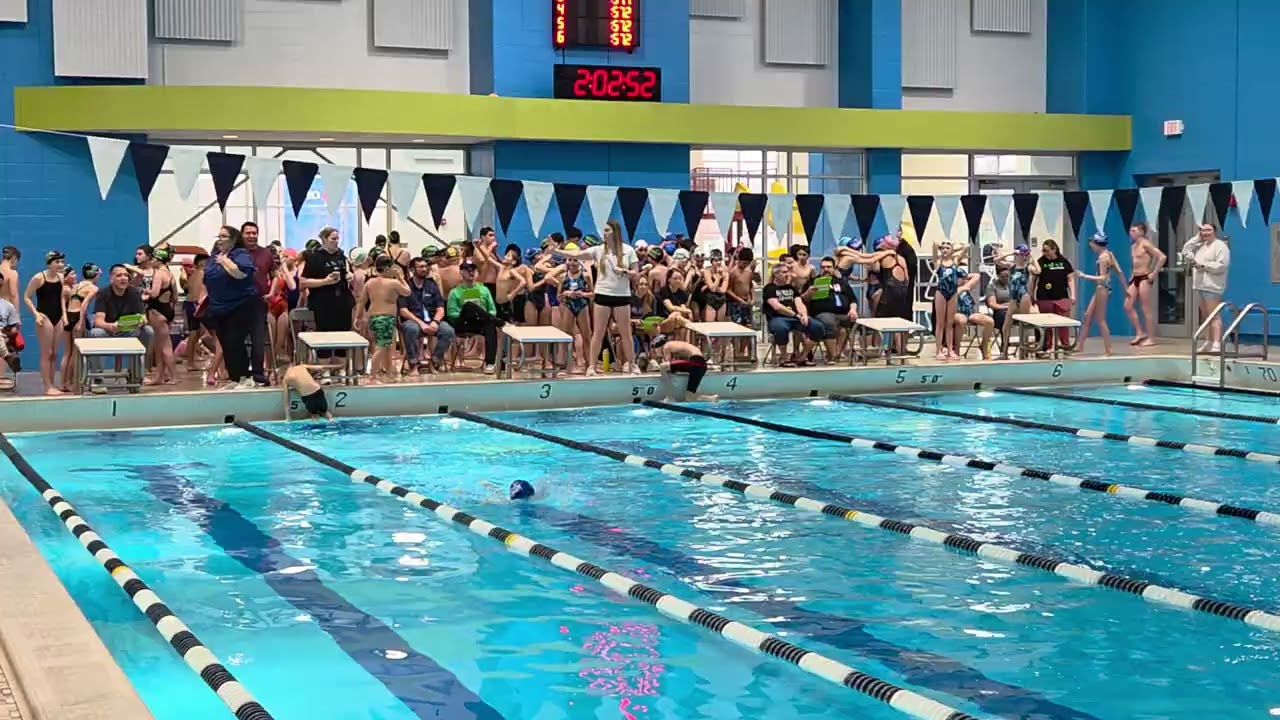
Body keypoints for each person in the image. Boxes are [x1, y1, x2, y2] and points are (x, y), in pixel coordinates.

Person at [557, 219, 640, 376]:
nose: (604, 233)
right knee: (598, 332)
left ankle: (632, 363)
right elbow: (575, 254)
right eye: (604, 230)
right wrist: (555, 251)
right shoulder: (598, 250)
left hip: (621, 295)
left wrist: (624, 271)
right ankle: (592, 366)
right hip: (602, 294)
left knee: (625, 332)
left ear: (615, 232)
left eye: (607, 230)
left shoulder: (628, 250)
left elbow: (636, 273)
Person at [203, 225, 258, 389]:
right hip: (219, 307)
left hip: (239, 305)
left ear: (233, 239)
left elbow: (241, 274)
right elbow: (207, 278)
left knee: (235, 342)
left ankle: (245, 378)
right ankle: (235, 378)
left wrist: (225, 261)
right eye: (218, 236)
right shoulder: (214, 256)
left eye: (223, 236)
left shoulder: (240, 254)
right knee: (225, 344)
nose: (219, 239)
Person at [300, 227, 355, 359]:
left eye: (337, 239)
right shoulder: (314, 258)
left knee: (343, 336)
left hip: (342, 301)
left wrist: (350, 276)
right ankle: (324, 369)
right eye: (333, 239)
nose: (336, 242)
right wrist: (324, 281)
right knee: (324, 336)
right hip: (323, 303)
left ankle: (340, 368)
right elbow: (303, 282)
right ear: (324, 239)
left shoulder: (341, 256)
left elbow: (348, 273)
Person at [356, 254, 410, 383]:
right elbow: (407, 292)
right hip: (385, 318)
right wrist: (401, 278)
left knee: (383, 346)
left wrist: (358, 317)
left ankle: (389, 374)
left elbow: (362, 301)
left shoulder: (370, 282)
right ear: (386, 269)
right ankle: (372, 376)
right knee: (380, 347)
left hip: (373, 318)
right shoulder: (393, 283)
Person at [1181, 223, 1231, 352]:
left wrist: (1203, 266)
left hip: (1212, 286)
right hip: (1200, 285)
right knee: (1206, 315)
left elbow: (1221, 266)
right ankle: (1208, 342)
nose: (1205, 233)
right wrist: (1196, 238)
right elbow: (1186, 250)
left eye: (1208, 230)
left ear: (1215, 231)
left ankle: (1217, 343)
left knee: (1214, 315)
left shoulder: (1220, 246)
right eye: (1203, 230)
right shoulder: (1201, 246)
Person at [399, 256, 454, 375]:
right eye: (421, 267)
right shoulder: (406, 287)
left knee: (448, 331)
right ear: (413, 270)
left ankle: (434, 361)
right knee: (410, 329)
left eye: (426, 266)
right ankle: (413, 364)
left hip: (432, 320)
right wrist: (421, 324)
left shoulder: (432, 285)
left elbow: (441, 308)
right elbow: (403, 310)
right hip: (415, 321)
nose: (425, 269)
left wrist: (435, 322)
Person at [23, 250, 68, 395]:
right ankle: (47, 386)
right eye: (57, 262)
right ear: (49, 263)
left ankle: (53, 384)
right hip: (44, 316)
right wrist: (36, 314)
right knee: (46, 353)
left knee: (55, 353)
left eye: (62, 262)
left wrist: (64, 316)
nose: (61, 264)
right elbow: (27, 297)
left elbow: (61, 298)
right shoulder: (39, 278)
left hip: (58, 317)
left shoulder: (61, 277)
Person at [446, 260, 503, 373]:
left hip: (480, 322)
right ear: (461, 272)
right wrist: (466, 312)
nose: (471, 273)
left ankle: (490, 363)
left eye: (473, 270)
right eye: (468, 270)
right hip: (463, 323)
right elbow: (451, 313)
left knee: (490, 326)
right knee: (469, 306)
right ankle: (500, 322)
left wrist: (483, 316)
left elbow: (492, 310)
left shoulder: (484, 290)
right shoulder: (455, 292)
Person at [762, 263, 822, 367]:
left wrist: (804, 315)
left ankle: (803, 356)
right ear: (776, 274)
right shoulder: (769, 288)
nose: (788, 275)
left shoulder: (791, 288)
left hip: (796, 318)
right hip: (778, 318)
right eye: (784, 272)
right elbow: (777, 307)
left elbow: (799, 303)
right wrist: (795, 315)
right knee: (781, 328)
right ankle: (784, 358)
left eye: (788, 272)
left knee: (818, 327)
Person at [1075, 232, 1124, 356]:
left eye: (1092, 243)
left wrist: (1084, 276)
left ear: (1097, 244)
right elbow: (1119, 271)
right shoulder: (1109, 254)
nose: (1090, 245)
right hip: (1102, 288)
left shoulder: (1103, 258)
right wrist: (1126, 288)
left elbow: (1102, 277)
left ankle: (1109, 349)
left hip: (1102, 288)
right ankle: (1079, 346)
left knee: (1100, 319)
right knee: (1087, 316)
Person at [803, 256, 858, 361]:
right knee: (829, 322)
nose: (826, 269)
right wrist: (808, 293)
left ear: (834, 268)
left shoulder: (841, 282)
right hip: (822, 313)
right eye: (823, 267)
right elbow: (801, 300)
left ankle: (837, 353)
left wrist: (853, 310)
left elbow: (853, 300)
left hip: (843, 314)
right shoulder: (813, 281)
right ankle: (832, 356)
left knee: (860, 324)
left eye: (829, 267)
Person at [1029, 239, 1076, 353]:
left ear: (1054, 249)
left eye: (1046, 250)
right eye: (1043, 250)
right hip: (1044, 297)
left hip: (1061, 297)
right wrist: (1031, 296)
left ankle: (1065, 345)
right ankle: (1048, 345)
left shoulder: (1064, 262)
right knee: (1047, 324)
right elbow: (1033, 280)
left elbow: (1070, 279)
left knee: (1064, 323)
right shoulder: (1041, 262)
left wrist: (1073, 295)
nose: (1044, 253)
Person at [1124, 222, 1166, 347]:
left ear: (1142, 232)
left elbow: (1162, 257)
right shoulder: (1133, 247)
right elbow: (1136, 263)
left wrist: (1153, 273)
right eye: (1131, 231)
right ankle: (1140, 332)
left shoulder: (1146, 244)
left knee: (1145, 308)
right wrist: (1132, 275)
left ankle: (1152, 338)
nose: (1132, 233)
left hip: (1144, 277)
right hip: (1135, 277)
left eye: (1134, 231)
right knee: (1127, 305)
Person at [242, 221, 273, 385]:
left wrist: (272, 292)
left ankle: (258, 372)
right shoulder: (236, 252)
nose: (251, 236)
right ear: (242, 235)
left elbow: (275, 274)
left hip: (258, 302)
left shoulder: (266, 253)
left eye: (254, 233)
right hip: (237, 302)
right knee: (237, 339)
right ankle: (240, 372)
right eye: (248, 233)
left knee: (258, 339)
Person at [60, 264, 100, 393]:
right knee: (76, 354)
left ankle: (63, 383)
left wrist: (65, 319)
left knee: (67, 353)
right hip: (78, 316)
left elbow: (65, 305)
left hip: (69, 315)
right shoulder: (93, 288)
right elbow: (84, 305)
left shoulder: (75, 286)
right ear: (95, 275)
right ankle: (72, 382)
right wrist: (80, 322)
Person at [555, 252, 594, 373]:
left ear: (580, 263)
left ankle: (589, 364)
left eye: (575, 260)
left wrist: (582, 294)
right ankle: (569, 365)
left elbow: (593, 294)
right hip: (568, 305)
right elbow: (558, 296)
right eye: (570, 260)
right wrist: (566, 294)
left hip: (582, 305)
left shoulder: (586, 276)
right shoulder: (562, 277)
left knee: (586, 335)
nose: (572, 263)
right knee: (567, 335)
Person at [650, 335, 718, 403]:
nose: (655, 353)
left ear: (658, 347)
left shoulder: (666, 347)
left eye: (654, 350)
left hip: (696, 363)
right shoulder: (674, 344)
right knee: (689, 397)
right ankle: (711, 398)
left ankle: (670, 397)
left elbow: (666, 364)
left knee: (662, 367)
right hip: (700, 365)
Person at [993, 246, 1034, 358]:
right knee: (1006, 326)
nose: (1016, 256)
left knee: (1023, 325)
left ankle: (1023, 351)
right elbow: (996, 261)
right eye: (1016, 255)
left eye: (1018, 254)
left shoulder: (1028, 268)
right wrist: (1009, 253)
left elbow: (1038, 270)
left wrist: (1032, 257)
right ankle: (1004, 352)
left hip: (1024, 296)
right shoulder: (1012, 266)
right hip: (1014, 297)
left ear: (1024, 256)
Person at [930, 241, 965, 361]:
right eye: (943, 248)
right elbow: (934, 246)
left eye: (947, 248)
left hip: (953, 292)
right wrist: (941, 248)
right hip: (941, 292)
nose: (945, 250)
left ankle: (950, 350)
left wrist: (953, 250)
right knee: (940, 323)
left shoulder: (955, 262)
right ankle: (938, 350)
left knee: (949, 323)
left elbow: (966, 247)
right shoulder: (938, 262)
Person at [949, 270, 994, 360]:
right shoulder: (950, 288)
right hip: (955, 313)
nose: (964, 279)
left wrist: (964, 278)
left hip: (970, 313)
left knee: (989, 321)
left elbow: (976, 275)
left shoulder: (966, 286)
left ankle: (984, 345)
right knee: (962, 320)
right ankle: (956, 349)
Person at [726, 247, 756, 361]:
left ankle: (742, 352)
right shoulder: (733, 272)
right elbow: (728, 290)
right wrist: (739, 299)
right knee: (737, 328)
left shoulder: (749, 271)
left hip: (746, 303)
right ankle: (736, 352)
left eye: (747, 263)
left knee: (748, 328)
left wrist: (751, 298)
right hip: (735, 303)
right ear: (739, 260)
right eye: (743, 262)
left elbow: (750, 287)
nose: (745, 265)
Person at [0, 295, 22, 389]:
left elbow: (14, 329)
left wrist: (7, 332)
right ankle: (8, 357)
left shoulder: (7, 306)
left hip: (4, 336)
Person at [0, 247, 19, 322]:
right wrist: (17, 317)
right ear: (14, 258)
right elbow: (14, 295)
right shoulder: (12, 273)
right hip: (6, 312)